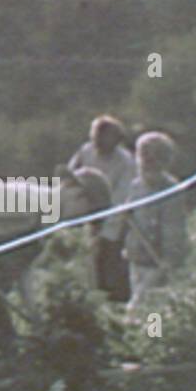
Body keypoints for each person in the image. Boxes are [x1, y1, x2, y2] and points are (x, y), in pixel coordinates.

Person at [0, 166, 112, 340]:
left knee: (7, 341)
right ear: (74, 192)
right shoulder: (35, 199)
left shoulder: (46, 221)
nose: (79, 222)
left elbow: (23, 272)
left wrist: (35, 316)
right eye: (86, 212)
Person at [69, 114, 135, 302]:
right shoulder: (85, 152)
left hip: (112, 218)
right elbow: (71, 176)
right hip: (83, 214)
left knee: (110, 263)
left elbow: (122, 196)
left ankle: (116, 301)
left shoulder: (126, 162)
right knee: (84, 266)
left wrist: (103, 227)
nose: (97, 144)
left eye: (103, 139)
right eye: (95, 138)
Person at [124, 132, 189, 306]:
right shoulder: (136, 186)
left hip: (158, 262)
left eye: (153, 160)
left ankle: (154, 334)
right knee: (141, 303)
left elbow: (174, 228)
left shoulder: (171, 191)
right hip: (137, 259)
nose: (147, 164)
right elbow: (129, 212)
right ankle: (143, 332)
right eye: (144, 158)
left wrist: (168, 261)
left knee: (150, 307)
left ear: (164, 162)